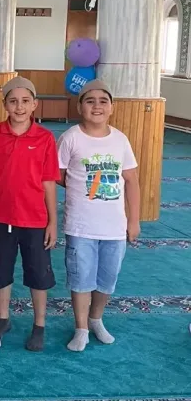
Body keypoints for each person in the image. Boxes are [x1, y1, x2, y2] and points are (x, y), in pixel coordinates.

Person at [0, 76, 60, 352]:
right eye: (13, 101)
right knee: (1, 271)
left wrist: (52, 221)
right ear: (5, 104)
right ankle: (3, 318)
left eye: (25, 101)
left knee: (38, 273)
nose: (19, 107)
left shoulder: (45, 138)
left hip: (35, 219)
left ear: (34, 104)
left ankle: (39, 324)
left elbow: (48, 182)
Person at [56, 79, 140, 352]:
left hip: (114, 227)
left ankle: (96, 319)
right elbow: (57, 174)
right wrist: (79, 185)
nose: (97, 106)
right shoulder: (70, 138)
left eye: (103, 101)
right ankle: (81, 328)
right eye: (90, 101)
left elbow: (131, 180)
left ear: (111, 107)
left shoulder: (120, 139)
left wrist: (134, 220)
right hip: (81, 225)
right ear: (80, 107)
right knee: (81, 278)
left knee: (107, 277)